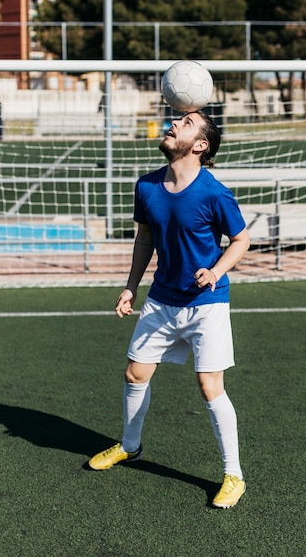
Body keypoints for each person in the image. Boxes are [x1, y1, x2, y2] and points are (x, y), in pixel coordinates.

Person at [88, 110, 250, 509]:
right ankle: (130, 446)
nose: (174, 123)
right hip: (161, 300)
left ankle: (234, 475)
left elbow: (241, 239)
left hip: (206, 305)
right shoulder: (146, 186)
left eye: (187, 123)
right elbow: (144, 239)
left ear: (200, 146)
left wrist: (215, 271)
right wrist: (130, 287)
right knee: (134, 372)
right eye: (177, 119)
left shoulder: (214, 192)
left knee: (210, 387)